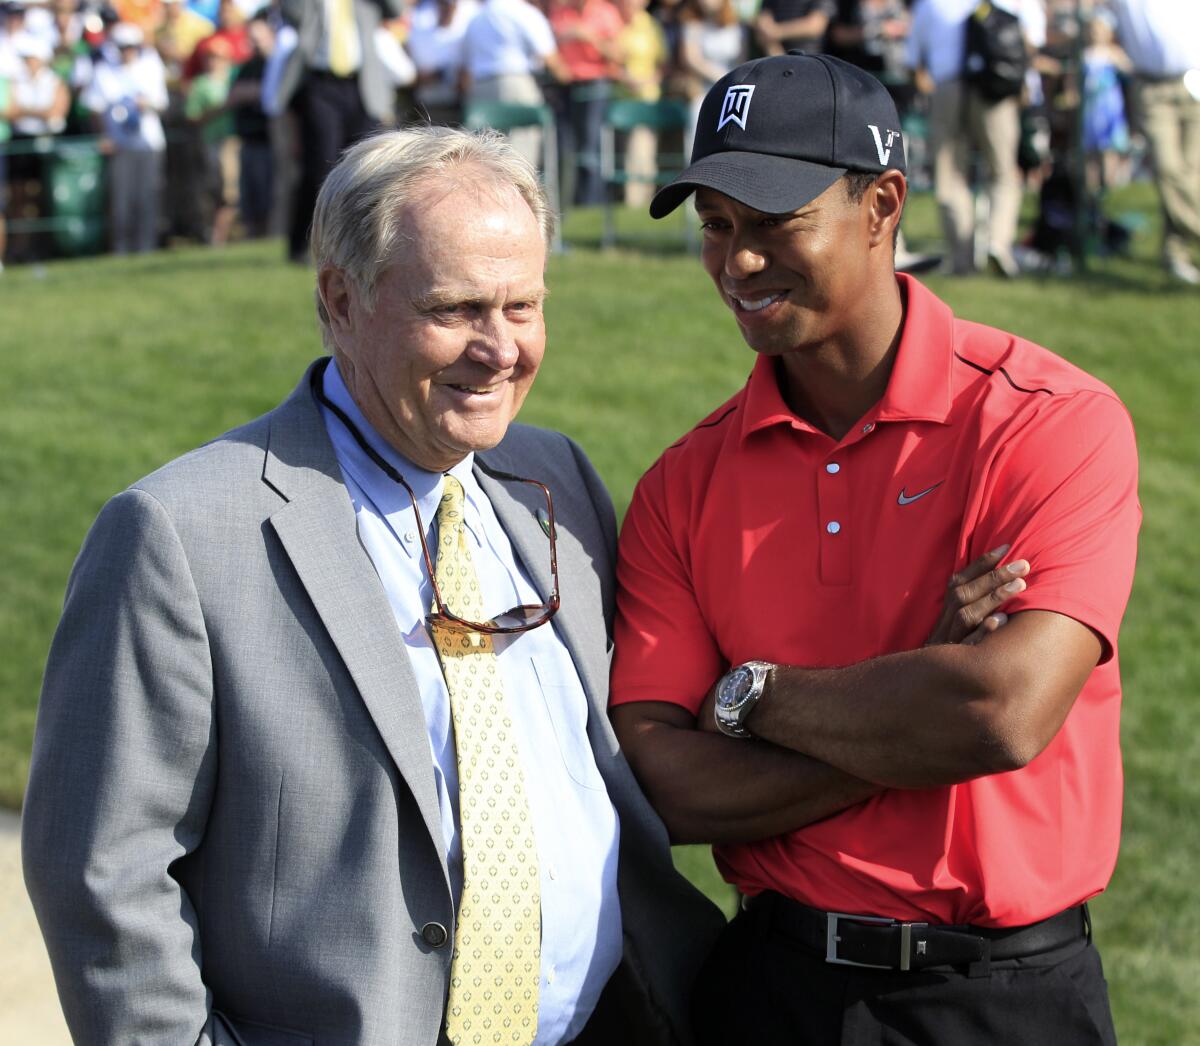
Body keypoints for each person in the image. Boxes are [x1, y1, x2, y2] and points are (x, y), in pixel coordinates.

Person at [23, 124, 723, 1046]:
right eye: (458, 308)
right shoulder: (181, 534)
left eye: (523, 306)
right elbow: (102, 874)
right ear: (340, 300)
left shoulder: (556, 480)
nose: (500, 349)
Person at [611, 52, 1139, 1044]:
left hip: (1008, 994)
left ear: (884, 203)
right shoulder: (681, 485)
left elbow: (997, 710)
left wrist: (748, 697)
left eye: (775, 222)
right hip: (770, 990)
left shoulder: (1049, 422)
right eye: (716, 226)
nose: (738, 262)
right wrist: (909, 701)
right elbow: (665, 785)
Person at [905, 0, 1045, 276]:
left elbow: (912, 59)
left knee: (949, 174)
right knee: (1003, 171)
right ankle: (997, 242)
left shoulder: (930, 4)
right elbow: (1031, 43)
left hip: (948, 87)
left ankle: (961, 257)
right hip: (995, 87)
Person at [274, 0, 404, 262]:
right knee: (320, 166)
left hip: (361, 87)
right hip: (320, 84)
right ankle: (303, 245)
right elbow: (290, 12)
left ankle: (360, 245)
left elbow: (396, 10)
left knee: (366, 168)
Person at [1109, 0, 1200, 286]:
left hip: (1194, 81)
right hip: (1153, 86)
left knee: (1191, 173)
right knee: (1168, 169)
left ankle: (1176, 253)